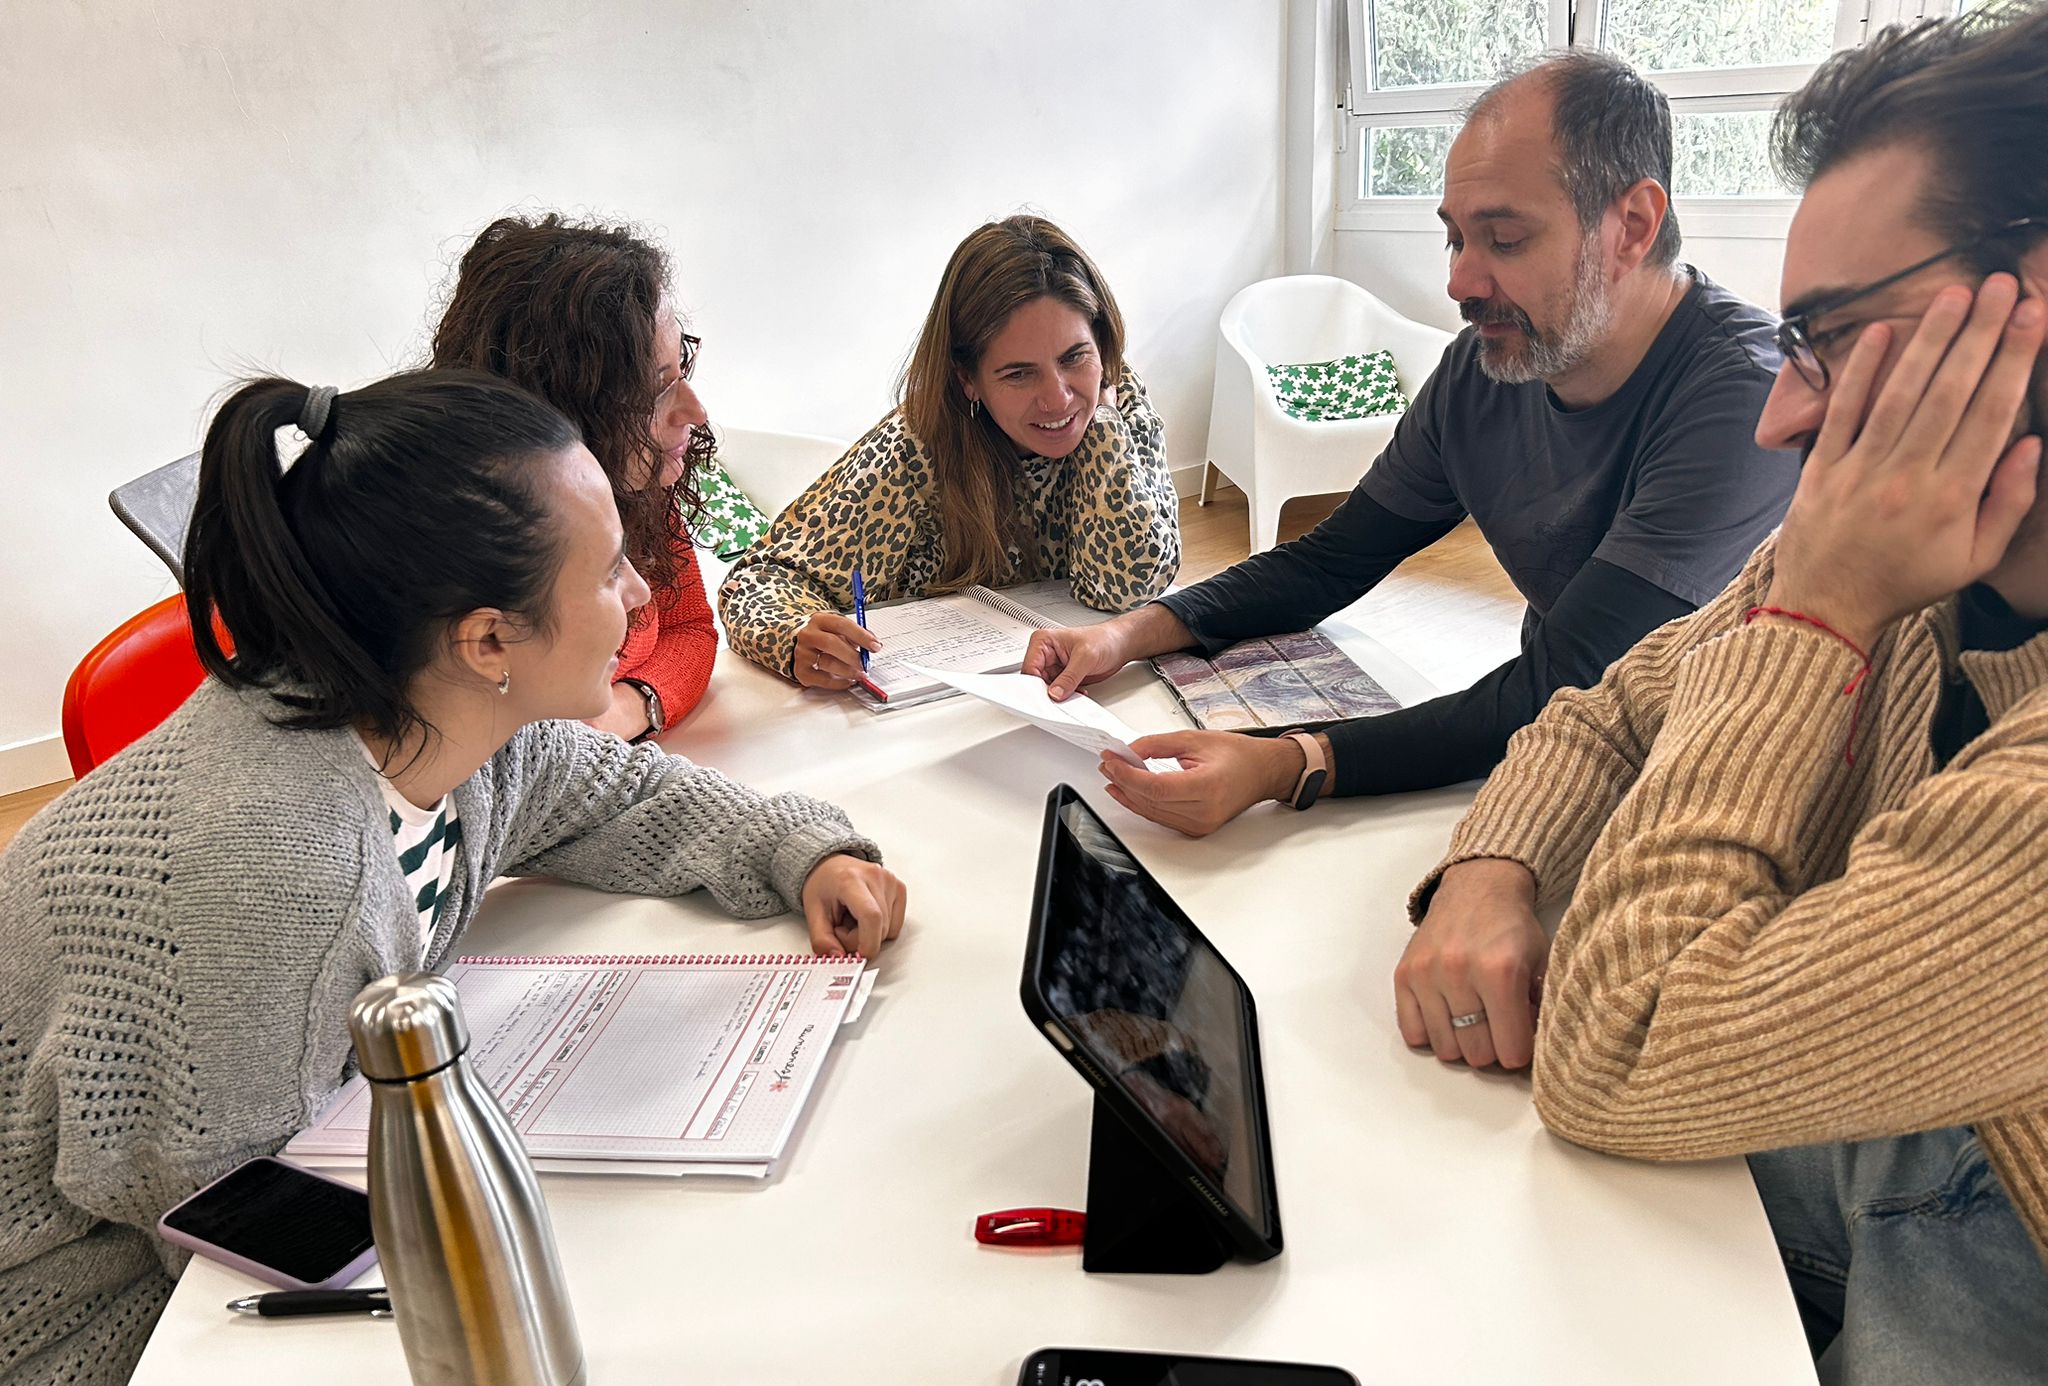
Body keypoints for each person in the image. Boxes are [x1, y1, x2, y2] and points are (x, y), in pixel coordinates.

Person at [0, 370, 907, 1386]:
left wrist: (800, 852)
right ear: (486, 639)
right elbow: (232, 1235)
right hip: (88, 1359)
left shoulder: (441, 718)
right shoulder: (269, 871)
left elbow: (615, 792)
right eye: (607, 572)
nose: (641, 591)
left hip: (232, 1249)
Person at [1393, 8, 2048, 1386]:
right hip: (1929, 1121)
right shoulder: (1930, 560)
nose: (1781, 413)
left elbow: (1621, 1049)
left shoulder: (1856, 570)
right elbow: (1615, 705)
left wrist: (1812, 618)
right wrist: (1493, 862)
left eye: (1830, 337)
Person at [1025, 52, 1799, 837]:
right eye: (1456, 239)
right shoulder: (1486, 370)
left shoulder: (1748, 397)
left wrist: (1291, 763)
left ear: (1631, 226)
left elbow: (1569, 683)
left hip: (1721, 783)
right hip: (1564, 748)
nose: (1460, 281)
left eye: (1504, 239)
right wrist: (1125, 633)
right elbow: (1332, 560)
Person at [717, 214, 1179, 686]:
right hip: (930, 700)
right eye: (1019, 374)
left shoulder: (1120, 406)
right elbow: (756, 582)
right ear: (967, 379)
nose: (1058, 399)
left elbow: (1126, 586)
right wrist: (796, 636)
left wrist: (1104, 428)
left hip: (1074, 688)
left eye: (1074, 357)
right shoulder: (916, 446)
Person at [432, 213, 718, 739]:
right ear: (562, 408)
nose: (695, 411)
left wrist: (630, 708)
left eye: (683, 366)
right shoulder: (454, 551)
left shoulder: (640, 484)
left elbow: (690, 628)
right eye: (654, 390)